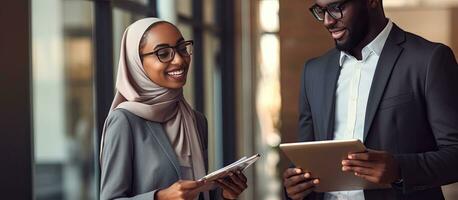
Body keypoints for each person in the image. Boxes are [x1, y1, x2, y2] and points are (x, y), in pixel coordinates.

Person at [283, 0, 458, 200]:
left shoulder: (429, 60)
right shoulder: (313, 72)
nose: (327, 21)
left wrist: (399, 170)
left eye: (336, 8)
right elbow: (306, 160)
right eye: (320, 11)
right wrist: (295, 188)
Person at [100, 18, 248, 200]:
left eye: (182, 48)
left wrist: (226, 195)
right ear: (136, 62)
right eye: (163, 53)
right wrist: (160, 197)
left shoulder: (196, 120)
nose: (179, 60)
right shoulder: (124, 121)